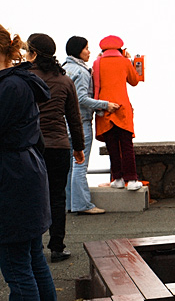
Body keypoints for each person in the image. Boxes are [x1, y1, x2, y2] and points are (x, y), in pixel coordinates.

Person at [0, 24, 61, 301]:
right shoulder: (21, 82)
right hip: (27, 175)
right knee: (32, 260)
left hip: (11, 179)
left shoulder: (9, 87)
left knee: (17, 267)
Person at [27, 34, 85, 263]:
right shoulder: (64, 80)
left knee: (31, 197)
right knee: (57, 198)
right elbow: (74, 119)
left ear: (32, 52)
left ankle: (33, 247)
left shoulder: (25, 79)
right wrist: (78, 148)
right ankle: (57, 247)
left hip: (31, 146)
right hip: (60, 146)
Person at [64, 36, 119, 215]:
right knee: (80, 164)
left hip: (65, 124)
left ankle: (70, 203)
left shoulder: (65, 69)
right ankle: (83, 205)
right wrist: (105, 105)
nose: (89, 51)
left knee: (70, 166)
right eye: (86, 48)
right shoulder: (80, 72)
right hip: (81, 123)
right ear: (78, 50)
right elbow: (81, 99)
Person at [93, 35, 142, 191]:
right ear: (121, 48)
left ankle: (118, 178)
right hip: (122, 108)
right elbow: (135, 81)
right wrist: (130, 61)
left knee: (112, 146)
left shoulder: (97, 63)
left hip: (105, 108)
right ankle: (132, 179)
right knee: (127, 146)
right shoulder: (124, 62)